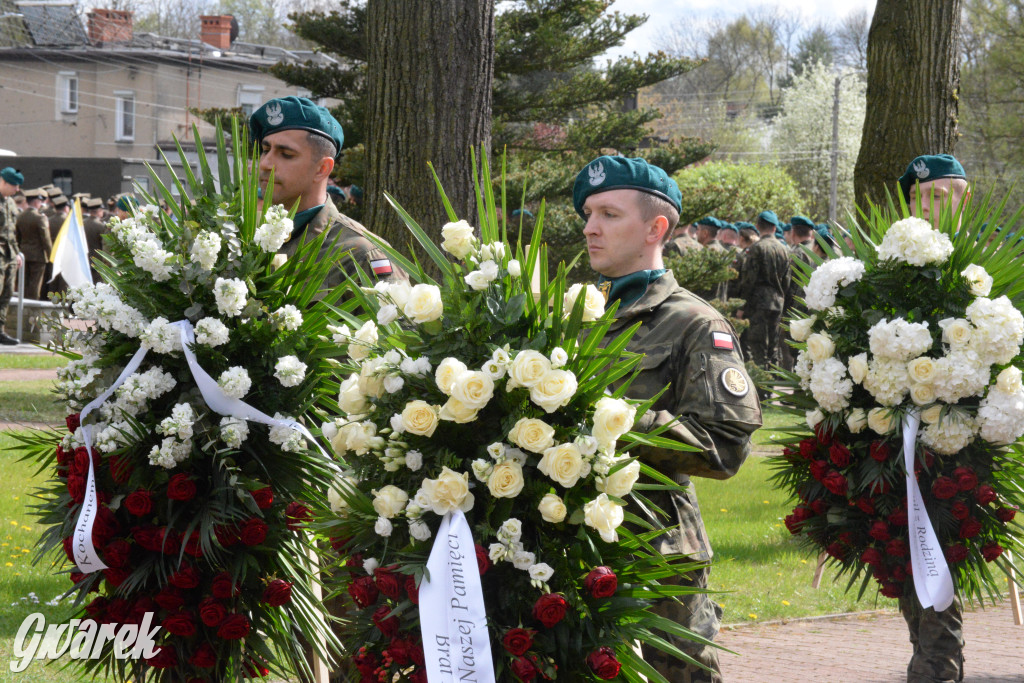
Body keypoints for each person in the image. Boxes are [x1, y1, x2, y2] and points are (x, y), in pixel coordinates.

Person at [573, 155, 762, 682]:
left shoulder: (695, 322)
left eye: (609, 214)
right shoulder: (577, 316)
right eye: (588, 213)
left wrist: (611, 420)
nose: (590, 228)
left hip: (657, 549)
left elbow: (724, 447)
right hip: (567, 541)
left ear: (656, 228)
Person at [896, 153, 971, 683]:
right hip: (895, 443)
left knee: (942, 555)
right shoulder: (888, 272)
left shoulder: (989, 266)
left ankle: (935, 665)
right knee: (904, 558)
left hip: (965, 445)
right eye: (925, 197)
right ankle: (929, 657)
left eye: (946, 198)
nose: (934, 208)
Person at [249, 96, 406, 289]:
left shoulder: (361, 254)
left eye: (286, 154)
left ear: (322, 168)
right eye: (265, 150)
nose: (265, 164)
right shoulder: (243, 239)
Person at [735, 210, 791, 373]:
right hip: (777, 302)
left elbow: (748, 280)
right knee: (773, 348)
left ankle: (761, 391)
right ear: (775, 227)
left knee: (758, 347)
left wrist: (742, 306)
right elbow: (787, 280)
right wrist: (783, 299)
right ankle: (771, 385)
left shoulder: (756, 248)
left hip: (758, 304)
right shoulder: (784, 249)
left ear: (758, 227)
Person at [0, 167, 24, 344]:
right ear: (3, 182)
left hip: (8, 254)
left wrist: (16, 253)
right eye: (14, 185)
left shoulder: (10, 203)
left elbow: (11, 232)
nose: (17, 189)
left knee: (7, 293)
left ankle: (0, 330)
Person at [14, 188, 50, 301]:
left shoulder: (20, 216)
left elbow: (17, 238)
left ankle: (22, 309)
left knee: (23, 285)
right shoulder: (40, 218)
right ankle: (32, 311)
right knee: (35, 285)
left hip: (23, 254)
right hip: (38, 256)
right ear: (36, 202)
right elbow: (46, 239)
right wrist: (51, 255)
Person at [82, 197, 108, 284]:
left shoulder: (81, 223)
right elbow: (105, 247)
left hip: (83, 262)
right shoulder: (101, 226)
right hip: (97, 263)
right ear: (99, 211)